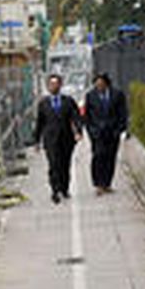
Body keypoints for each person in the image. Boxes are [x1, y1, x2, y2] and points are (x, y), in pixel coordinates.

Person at [33, 72, 83, 204]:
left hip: (66, 139)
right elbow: (39, 123)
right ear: (48, 86)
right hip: (50, 140)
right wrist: (36, 141)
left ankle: (64, 188)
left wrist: (78, 132)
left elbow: (76, 117)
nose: (53, 86)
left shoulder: (68, 101)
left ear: (60, 85)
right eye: (51, 84)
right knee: (53, 164)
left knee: (65, 165)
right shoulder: (43, 103)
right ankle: (55, 190)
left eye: (56, 84)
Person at [83, 72, 130, 194]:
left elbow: (123, 113)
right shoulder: (90, 96)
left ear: (106, 84)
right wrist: (91, 130)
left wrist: (120, 129)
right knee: (98, 156)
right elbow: (87, 116)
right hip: (97, 133)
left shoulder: (117, 95)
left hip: (112, 132)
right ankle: (98, 184)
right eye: (97, 84)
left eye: (101, 84)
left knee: (110, 158)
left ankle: (107, 183)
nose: (99, 86)